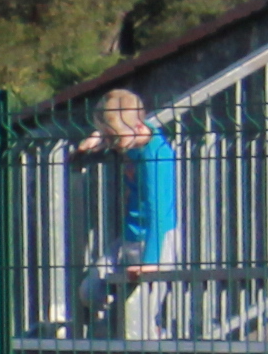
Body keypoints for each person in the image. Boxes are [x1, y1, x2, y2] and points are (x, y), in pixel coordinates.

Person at [64, 86, 181, 337]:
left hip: (155, 240)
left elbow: (158, 216)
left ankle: (155, 348)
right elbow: (122, 123)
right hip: (128, 236)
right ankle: (110, 331)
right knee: (90, 290)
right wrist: (96, 140)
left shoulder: (156, 157)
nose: (114, 146)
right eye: (109, 137)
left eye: (115, 138)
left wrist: (151, 263)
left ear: (138, 127)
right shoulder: (134, 133)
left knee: (139, 312)